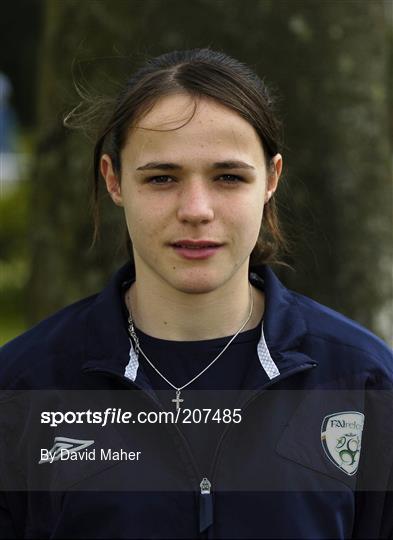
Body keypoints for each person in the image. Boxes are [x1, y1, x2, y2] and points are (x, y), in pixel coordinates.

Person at [0, 48, 392, 539]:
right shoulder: (23, 386)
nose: (196, 209)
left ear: (270, 179)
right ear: (114, 179)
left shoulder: (362, 380)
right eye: (162, 178)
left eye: (228, 177)